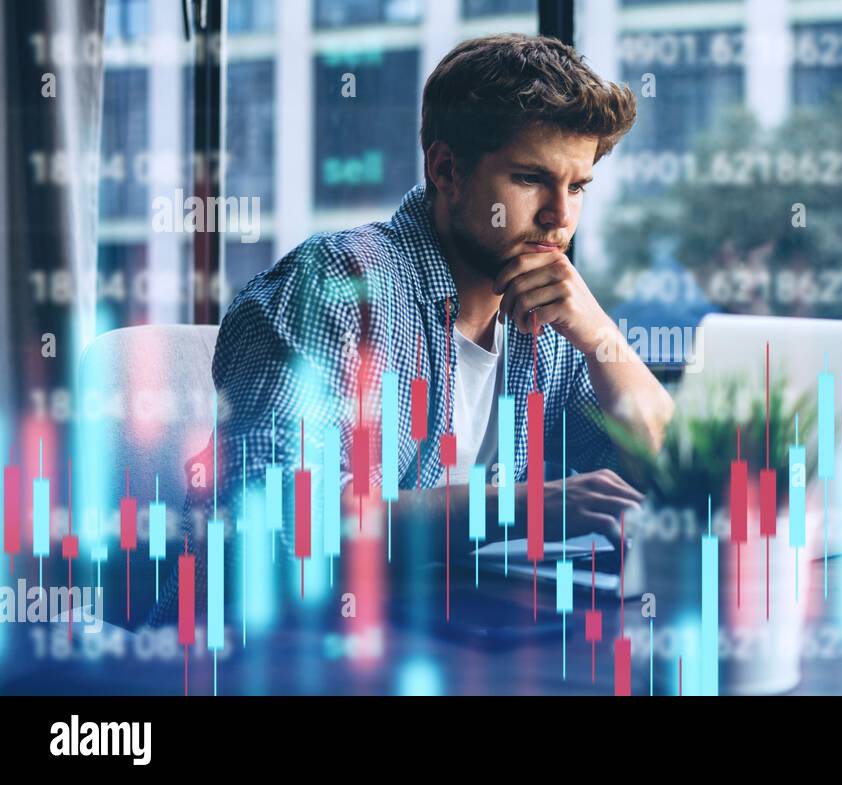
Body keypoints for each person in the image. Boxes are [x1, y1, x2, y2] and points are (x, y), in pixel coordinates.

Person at [147, 33, 673, 626]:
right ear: (446, 169)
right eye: (530, 179)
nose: (561, 216)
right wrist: (520, 509)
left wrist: (602, 335)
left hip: (435, 642)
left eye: (577, 187)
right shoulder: (334, 287)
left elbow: (671, 474)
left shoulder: (550, 325)